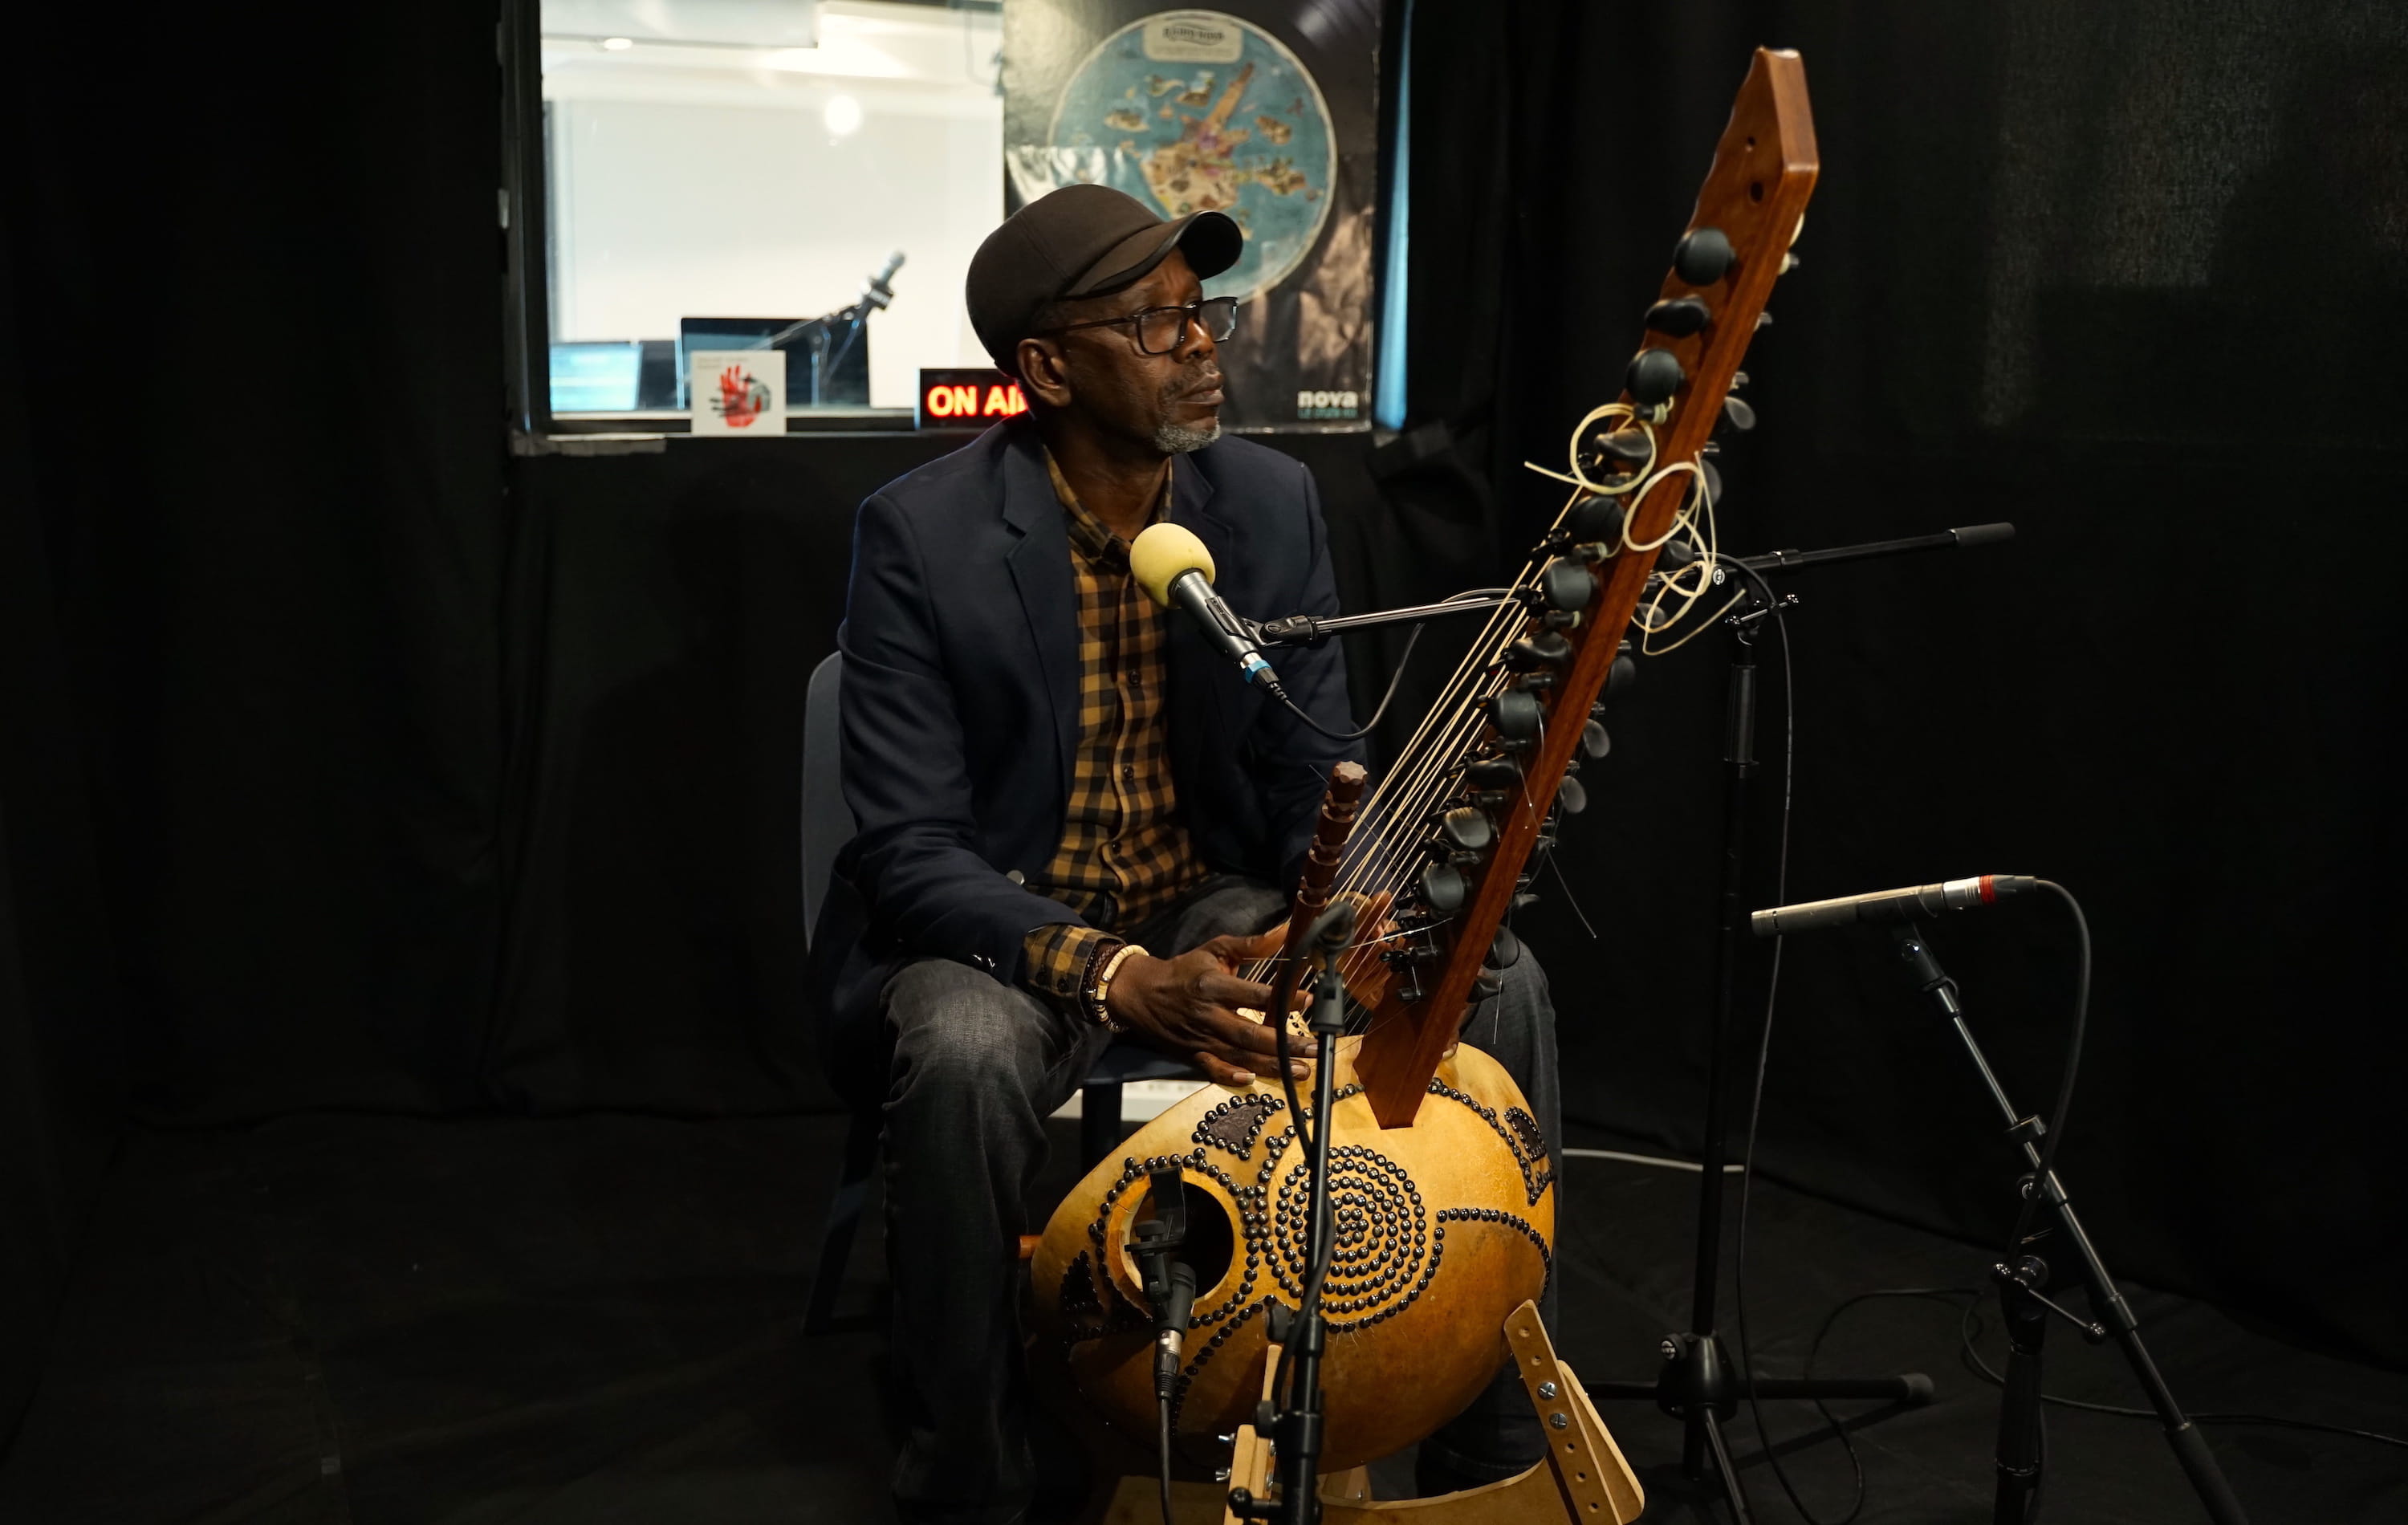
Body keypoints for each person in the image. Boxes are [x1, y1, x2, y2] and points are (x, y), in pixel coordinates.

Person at [808, 184, 1561, 1524]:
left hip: (1209, 897)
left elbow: (1303, 765)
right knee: (970, 1054)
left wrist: (1347, 901)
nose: (1204, 344)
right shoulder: (921, 536)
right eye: (1156, 323)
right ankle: (971, 1474)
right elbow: (907, 851)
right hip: (1007, 925)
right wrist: (1116, 975)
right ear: (1045, 367)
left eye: (1201, 313)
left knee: (1498, 980)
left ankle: (1484, 1440)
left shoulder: (1266, 502)